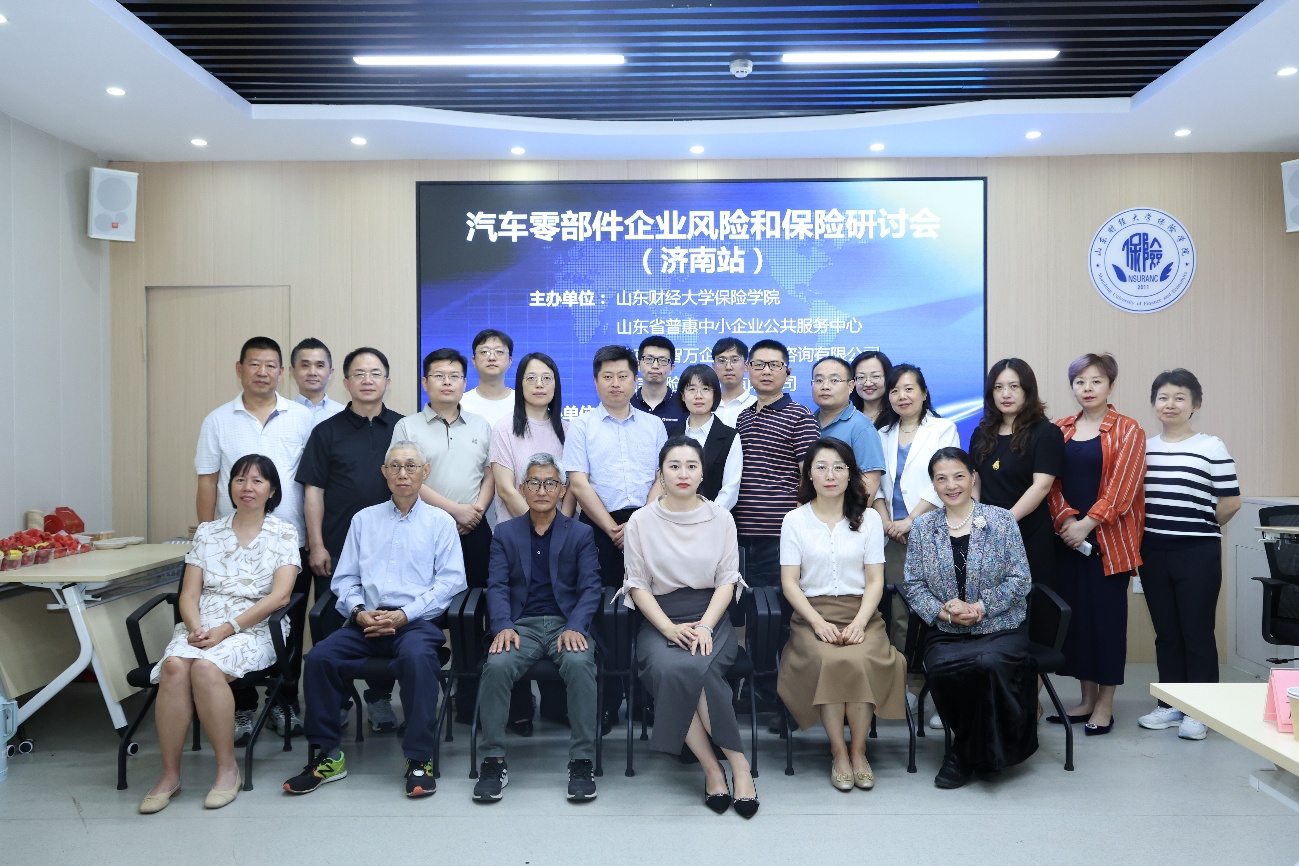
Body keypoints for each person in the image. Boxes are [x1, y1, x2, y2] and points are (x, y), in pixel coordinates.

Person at [285, 440, 468, 799]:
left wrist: (404, 614)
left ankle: (419, 758)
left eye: (411, 466)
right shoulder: (364, 520)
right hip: (365, 622)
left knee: (419, 659)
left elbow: (451, 582)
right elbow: (345, 579)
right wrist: (357, 612)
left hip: (415, 622)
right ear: (384, 472)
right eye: (395, 466)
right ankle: (327, 755)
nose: (403, 473)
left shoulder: (440, 522)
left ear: (425, 472)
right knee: (319, 659)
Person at [138, 454, 299, 813]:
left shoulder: (284, 533)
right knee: (174, 667)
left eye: (257, 481)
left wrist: (227, 629)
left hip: (254, 627)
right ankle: (169, 775)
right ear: (230, 487)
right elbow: (189, 594)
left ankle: (227, 770)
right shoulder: (208, 532)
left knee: (206, 668)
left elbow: (280, 596)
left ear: (272, 490)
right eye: (240, 479)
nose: (247, 487)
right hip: (203, 623)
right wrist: (196, 627)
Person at [622, 437, 758, 818]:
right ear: (660, 475)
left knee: (699, 668)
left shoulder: (721, 518)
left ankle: (739, 768)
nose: (683, 473)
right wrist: (668, 629)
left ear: (702, 475)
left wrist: (706, 628)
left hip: (711, 615)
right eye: (674, 466)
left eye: (691, 466)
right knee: (675, 669)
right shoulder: (640, 521)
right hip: (660, 619)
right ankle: (715, 768)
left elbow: (727, 581)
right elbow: (637, 585)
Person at [195, 336, 313, 745]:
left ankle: (284, 700)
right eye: (254, 364)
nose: (262, 372)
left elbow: (312, 483)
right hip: (232, 546)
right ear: (240, 368)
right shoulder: (217, 420)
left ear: (282, 372)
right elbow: (207, 482)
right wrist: (207, 541)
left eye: (270, 365)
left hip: (289, 543)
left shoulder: (302, 417)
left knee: (286, 625)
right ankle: (241, 706)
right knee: (230, 620)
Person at [900, 447, 1036, 789]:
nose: (951, 485)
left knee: (988, 664)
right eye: (941, 478)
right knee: (944, 668)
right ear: (933, 485)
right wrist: (943, 611)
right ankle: (986, 753)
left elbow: (1021, 579)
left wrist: (981, 608)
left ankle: (963, 754)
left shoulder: (1001, 520)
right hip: (946, 628)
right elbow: (913, 584)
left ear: (973, 477)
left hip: (1000, 625)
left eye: (959, 476)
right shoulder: (923, 527)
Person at [778, 438, 906, 792]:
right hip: (812, 615)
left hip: (861, 613)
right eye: (821, 467)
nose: (830, 475)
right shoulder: (795, 520)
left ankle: (859, 751)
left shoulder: (869, 520)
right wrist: (817, 623)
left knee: (860, 658)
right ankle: (838, 753)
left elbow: (876, 580)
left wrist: (861, 623)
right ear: (809, 474)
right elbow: (789, 583)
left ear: (851, 474)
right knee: (830, 660)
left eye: (838, 467)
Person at [473, 454, 603, 803]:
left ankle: (582, 761)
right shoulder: (505, 533)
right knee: (497, 665)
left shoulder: (580, 533)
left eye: (550, 483)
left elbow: (591, 588)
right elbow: (497, 586)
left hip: (566, 625)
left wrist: (576, 626)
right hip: (521, 626)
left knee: (579, 663)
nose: (542, 490)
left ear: (562, 490)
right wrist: (502, 625)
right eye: (534, 482)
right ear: (522, 488)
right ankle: (493, 760)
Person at [296, 347, 404, 735]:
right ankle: (337, 700)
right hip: (337, 548)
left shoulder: (403, 429)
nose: (367, 380)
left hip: (392, 550)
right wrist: (317, 544)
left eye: (375, 373)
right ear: (345, 382)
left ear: (387, 381)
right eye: (359, 373)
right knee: (330, 623)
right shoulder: (326, 432)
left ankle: (379, 697)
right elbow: (313, 491)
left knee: (385, 621)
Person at [565, 344, 666, 730]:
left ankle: (646, 701)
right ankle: (607, 701)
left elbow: (662, 477)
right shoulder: (581, 426)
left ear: (634, 378)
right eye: (607, 376)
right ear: (595, 382)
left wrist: (638, 523)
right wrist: (610, 527)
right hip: (597, 528)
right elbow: (578, 482)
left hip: (647, 525)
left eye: (623, 375)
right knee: (602, 616)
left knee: (646, 614)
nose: (615, 383)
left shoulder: (653, 426)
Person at [1137, 368, 1240, 741]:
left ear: (1195, 404)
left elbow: (1231, 501)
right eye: (1163, 397)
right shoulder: (1144, 448)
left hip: (1197, 551)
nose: (1170, 404)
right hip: (1153, 550)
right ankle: (1170, 705)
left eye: (1179, 397)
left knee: (1196, 631)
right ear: (1154, 404)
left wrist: (1200, 524)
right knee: (1166, 633)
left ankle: (1200, 711)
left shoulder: (1210, 446)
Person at [392, 347, 494, 724]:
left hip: (475, 530)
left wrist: (476, 509)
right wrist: (455, 511)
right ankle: (424, 705)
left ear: (465, 382)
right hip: (425, 532)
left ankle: (470, 702)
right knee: (426, 614)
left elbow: (490, 473)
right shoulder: (407, 427)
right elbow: (406, 477)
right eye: (438, 375)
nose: (447, 382)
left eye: (454, 376)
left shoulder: (481, 425)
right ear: (425, 382)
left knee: (474, 616)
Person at [1046, 352, 1145, 736]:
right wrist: (1067, 520)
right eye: (1080, 382)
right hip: (1068, 542)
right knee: (1078, 624)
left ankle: (1105, 705)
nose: (1087, 388)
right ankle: (1086, 700)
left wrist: (1087, 523)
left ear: (1110, 385)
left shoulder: (1128, 430)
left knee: (1106, 624)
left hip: (1108, 544)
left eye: (1096, 381)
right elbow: (1050, 484)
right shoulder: (1061, 429)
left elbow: (1123, 489)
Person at [873, 364, 959, 679]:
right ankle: (906, 683)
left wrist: (910, 520)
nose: (902, 396)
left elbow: (945, 480)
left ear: (924, 393)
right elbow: (876, 484)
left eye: (909, 389)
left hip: (931, 533)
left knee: (938, 609)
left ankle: (939, 682)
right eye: (895, 390)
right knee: (899, 613)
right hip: (892, 537)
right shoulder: (881, 433)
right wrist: (887, 521)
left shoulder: (943, 429)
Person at [732, 339, 820, 589]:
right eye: (759, 365)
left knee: (780, 604)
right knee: (747, 604)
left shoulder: (800, 416)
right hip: (741, 533)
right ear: (748, 368)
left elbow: (811, 476)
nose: (766, 371)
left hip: (781, 535)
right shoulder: (743, 417)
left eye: (774, 365)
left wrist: (799, 527)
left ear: (787, 372)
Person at [969, 359, 1064, 590]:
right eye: (998, 387)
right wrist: (976, 517)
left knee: (1032, 601)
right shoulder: (981, 433)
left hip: (1028, 532)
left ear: (1027, 390)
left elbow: (1041, 486)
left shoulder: (1046, 433)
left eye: (1014, 386)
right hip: (986, 532)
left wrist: (1004, 522)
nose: (1005, 394)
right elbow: (975, 478)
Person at [490, 352, 574, 523]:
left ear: (556, 384)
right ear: (520, 384)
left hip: (561, 533)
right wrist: (539, 527)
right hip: (516, 531)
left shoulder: (569, 431)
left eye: (547, 378)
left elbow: (573, 488)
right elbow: (506, 490)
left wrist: (561, 529)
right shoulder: (504, 429)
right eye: (531, 378)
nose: (539, 384)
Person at [653, 363, 742, 510]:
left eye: (705, 389)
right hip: (673, 517)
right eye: (691, 389)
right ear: (682, 395)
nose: (698, 396)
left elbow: (730, 489)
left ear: (715, 394)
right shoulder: (669, 434)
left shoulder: (730, 437)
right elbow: (662, 481)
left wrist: (705, 516)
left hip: (714, 517)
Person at [811, 356, 885, 500]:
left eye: (834, 380)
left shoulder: (861, 427)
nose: (825, 386)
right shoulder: (806, 423)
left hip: (844, 512)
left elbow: (869, 483)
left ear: (851, 386)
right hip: (810, 510)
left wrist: (846, 514)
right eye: (819, 380)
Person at [461, 328, 516, 430]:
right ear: (474, 360)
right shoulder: (460, 404)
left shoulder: (523, 404)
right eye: (484, 352)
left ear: (510, 361)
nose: (492, 358)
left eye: (499, 352)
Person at [630, 335, 685, 429]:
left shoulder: (684, 406)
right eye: (649, 359)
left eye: (663, 360)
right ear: (638, 365)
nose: (655, 366)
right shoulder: (627, 404)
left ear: (672, 368)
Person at [290, 337, 344, 425]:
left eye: (320, 366)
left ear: (330, 372)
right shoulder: (283, 414)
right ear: (292, 372)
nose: (312, 372)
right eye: (305, 365)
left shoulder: (343, 414)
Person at [711, 337, 756, 426]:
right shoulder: (705, 406)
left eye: (734, 360)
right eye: (722, 361)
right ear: (714, 367)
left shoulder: (756, 406)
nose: (728, 367)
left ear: (746, 366)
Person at [849, 350, 892, 424]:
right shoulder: (846, 416)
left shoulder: (898, 415)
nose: (868, 384)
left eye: (875, 376)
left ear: (888, 377)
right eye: (861, 377)